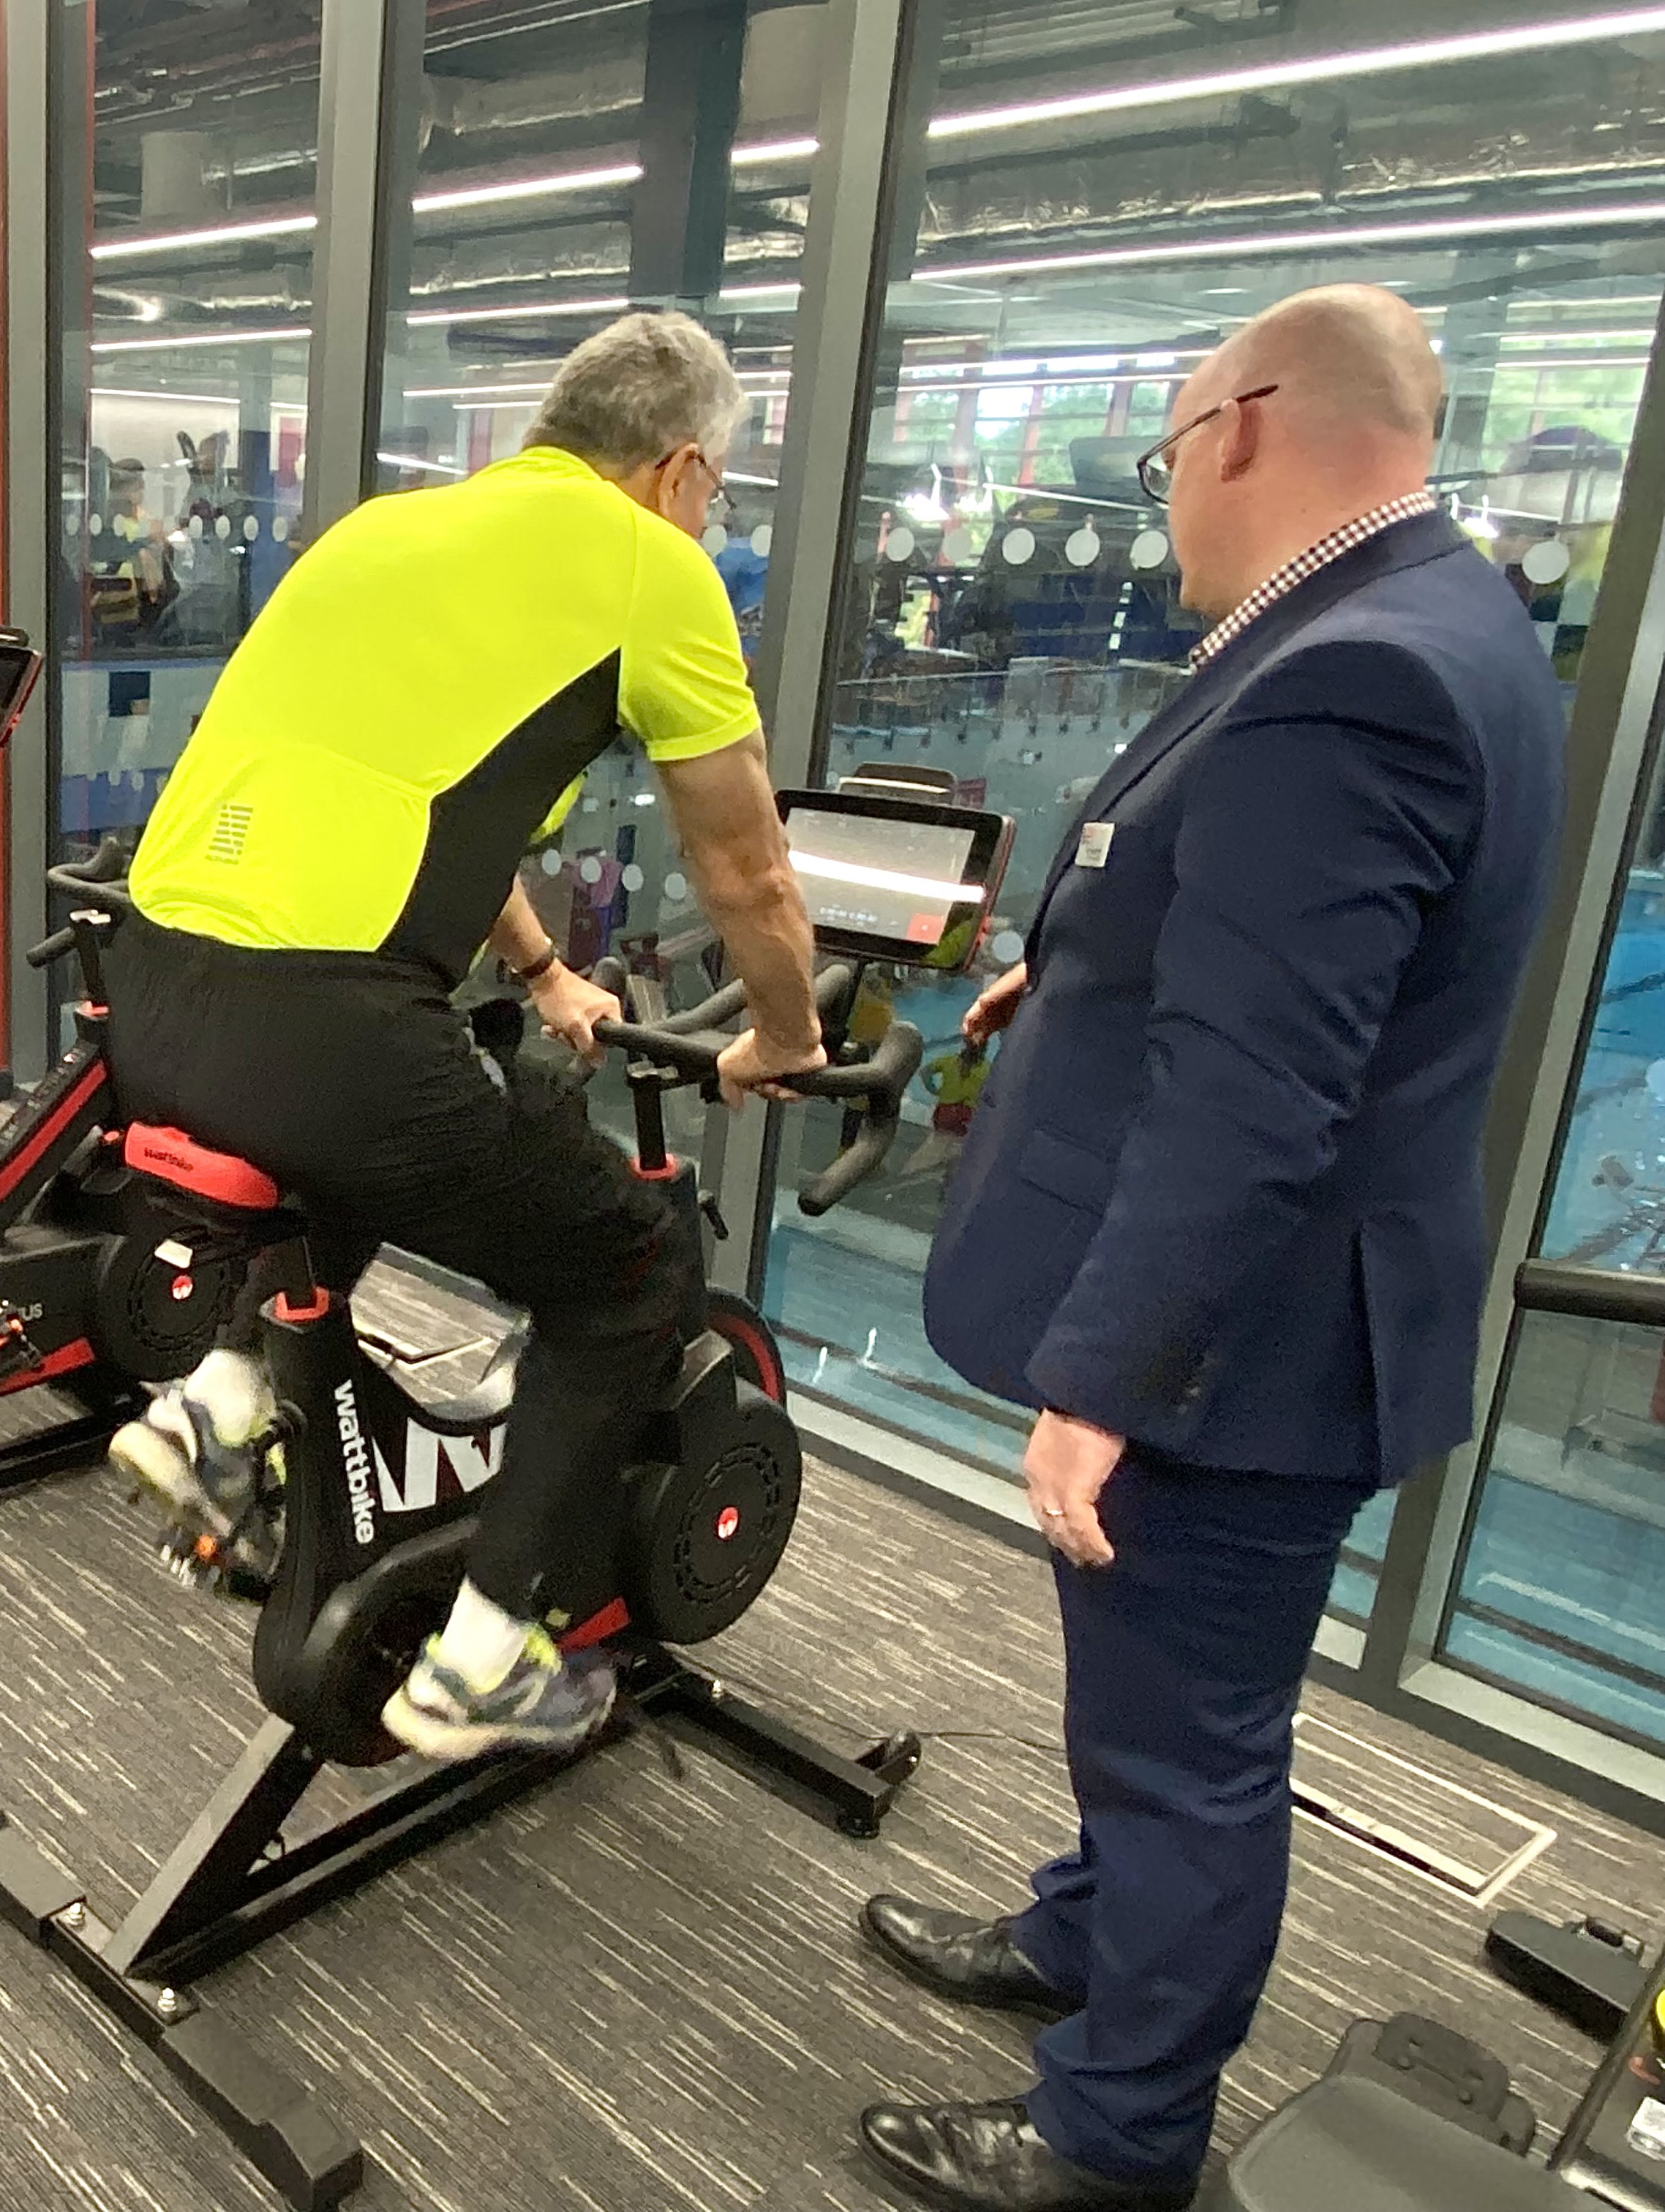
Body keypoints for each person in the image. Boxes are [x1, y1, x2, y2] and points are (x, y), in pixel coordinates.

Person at [855, 285, 1564, 2212]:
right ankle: (1087, 1935)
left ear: (1237, 427)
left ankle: (1116, 2136)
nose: (1166, 498)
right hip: (1289, 1309)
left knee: (1189, 1756)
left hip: (1237, 1351)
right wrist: (1078, 976)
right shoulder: (1438, 612)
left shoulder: (1353, 675)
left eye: (1168, 454)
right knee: (1148, 1710)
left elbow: (1261, 1091)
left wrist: (1106, 1374)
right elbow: (1315, 955)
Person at [103, 310, 827, 1757]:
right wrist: (783, 1032)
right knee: (632, 1270)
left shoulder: (382, 533)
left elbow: (418, 789)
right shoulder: (651, 567)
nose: (709, 516)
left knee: (416, 1114)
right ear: (680, 468)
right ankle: (491, 1653)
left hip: (154, 985)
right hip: (327, 1029)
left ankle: (216, 1406)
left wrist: (546, 969)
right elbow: (746, 870)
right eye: (715, 491)